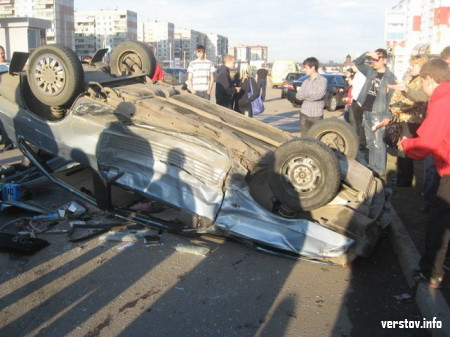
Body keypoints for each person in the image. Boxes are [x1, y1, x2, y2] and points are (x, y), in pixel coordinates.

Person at [398, 58, 450, 288]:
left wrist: (406, 145)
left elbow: (427, 143)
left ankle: (431, 272)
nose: (424, 91)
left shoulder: (442, 102)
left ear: (430, 78)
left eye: (423, 84)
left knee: (439, 222)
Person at [354, 48, 396, 176]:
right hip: (367, 110)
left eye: (377, 59)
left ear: (385, 60)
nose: (374, 62)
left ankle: (380, 169)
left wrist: (388, 116)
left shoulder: (390, 78)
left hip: (379, 113)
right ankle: (372, 167)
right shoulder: (371, 71)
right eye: (372, 59)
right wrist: (367, 53)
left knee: (378, 143)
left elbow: (392, 99)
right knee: (370, 142)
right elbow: (358, 63)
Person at [389, 55, 428, 187]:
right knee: (401, 148)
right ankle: (402, 177)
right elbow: (396, 95)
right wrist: (392, 106)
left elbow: (414, 100)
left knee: (405, 149)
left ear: (422, 67)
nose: (410, 68)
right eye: (410, 65)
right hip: (402, 118)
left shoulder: (422, 82)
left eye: (414, 65)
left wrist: (399, 108)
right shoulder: (408, 79)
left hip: (413, 120)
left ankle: (404, 180)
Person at [295, 57, 327, 135]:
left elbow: (318, 95)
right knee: (304, 139)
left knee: (316, 139)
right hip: (304, 114)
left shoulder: (322, 80)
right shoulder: (305, 82)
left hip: (316, 115)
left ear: (313, 68)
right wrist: (311, 92)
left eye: (306, 68)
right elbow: (298, 96)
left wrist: (306, 94)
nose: (304, 70)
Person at [348, 65, 367, 147]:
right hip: (355, 100)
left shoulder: (362, 75)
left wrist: (360, 101)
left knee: (360, 123)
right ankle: (359, 140)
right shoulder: (357, 75)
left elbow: (362, 89)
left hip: (360, 101)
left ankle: (362, 142)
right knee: (357, 122)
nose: (353, 67)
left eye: (354, 66)